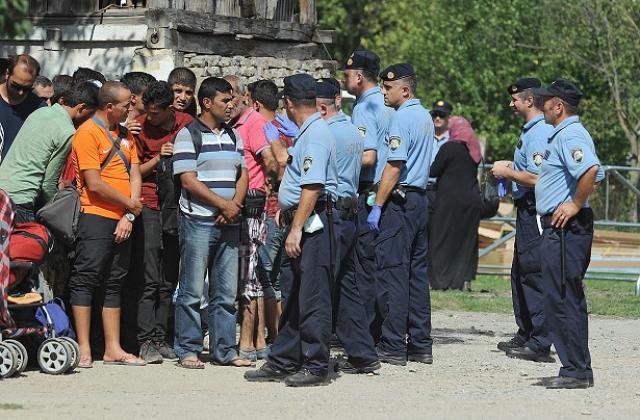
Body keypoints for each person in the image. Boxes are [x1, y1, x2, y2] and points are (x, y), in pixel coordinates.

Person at [244, 74, 338, 387]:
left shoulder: (315, 135)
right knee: (295, 292)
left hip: (311, 224)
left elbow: (312, 186)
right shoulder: (307, 132)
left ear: (288, 103)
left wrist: (296, 227)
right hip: (298, 219)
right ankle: (284, 359)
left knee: (312, 296)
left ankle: (315, 365)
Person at [172, 77, 250, 369]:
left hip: (229, 222)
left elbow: (242, 174)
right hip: (198, 222)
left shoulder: (233, 135)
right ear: (206, 103)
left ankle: (225, 350)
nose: (231, 105)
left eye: (231, 100)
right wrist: (223, 205)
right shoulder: (188, 134)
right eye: (224, 101)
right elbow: (188, 180)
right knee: (192, 290)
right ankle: (188, 349)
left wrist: (235, 206)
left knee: (226, 293)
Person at [69, 81, 145, 368]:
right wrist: (130, 205)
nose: (132, 108)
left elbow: (134, 173)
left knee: (115, 282)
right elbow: (94, 184)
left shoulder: (125, 134)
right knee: (86, 278)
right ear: (109, 107)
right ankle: (84, 347)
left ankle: (113, 348)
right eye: (127, 104)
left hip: (124, 217)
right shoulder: (87, 133)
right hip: (96, 215)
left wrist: (129, 214)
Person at [533, 78, 602, 389]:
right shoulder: (562, 134)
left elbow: (590, 170)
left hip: (565, 229)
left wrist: (575, 203)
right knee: (563, 296)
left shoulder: (570, 134)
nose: (541, 105)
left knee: (562, 298)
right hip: (560, 227)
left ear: (558, 106)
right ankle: (577, 366)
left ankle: (575, 369)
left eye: (546, 100)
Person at [366, 63, 433, 366]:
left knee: (392, 272)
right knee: (416, 276)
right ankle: (420, 343)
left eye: (388, 87)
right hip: (419, 200)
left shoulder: (401, 119)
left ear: (404, 90)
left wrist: (378, 205)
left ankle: (392, 344)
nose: (383, 92)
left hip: (399, 201)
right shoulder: (424, 116)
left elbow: (394, 165)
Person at [316, 77, 377, 374]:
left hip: (333, 215)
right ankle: (363, 353)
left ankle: (314, 354)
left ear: (321, 107)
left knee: (323, 285)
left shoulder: (325, 133)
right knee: (346, 286)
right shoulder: (352, 131)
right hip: (350, 212)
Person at [491, 78, 554, 362]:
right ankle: (526, 332)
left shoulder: (539, 132)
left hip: (535, 209)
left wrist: (509, 173)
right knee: (520, 272)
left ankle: (540, 341)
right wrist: (512, 167)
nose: (510, 104)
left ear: (529, 101)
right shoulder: (530, 131)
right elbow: (528, 167)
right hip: (525, 210)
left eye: (515, 99)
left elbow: (538, 178)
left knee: (534, 273)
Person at [132, 81, 192, 363]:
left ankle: (160, 336)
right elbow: (135, 172)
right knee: (150, 276)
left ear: (169, 109)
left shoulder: (187, 124)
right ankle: (145, 340)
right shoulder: (139, 128)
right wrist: (159, 158)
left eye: (155, 113)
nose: (149, 118)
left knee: (169, 276)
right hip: (149, 205)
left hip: (177, 207)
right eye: (147, 111)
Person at [341, 48, 394, 337]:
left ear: (359, 77)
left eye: (347, 74)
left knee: (363, 266)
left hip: (369, 190)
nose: (344, 79)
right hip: (387, 191)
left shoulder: (363, 108)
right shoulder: (389, 103)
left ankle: (365, 334)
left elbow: (367, 156)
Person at [0, 81, 99, 223]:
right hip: (21, 201)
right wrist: (56, 209)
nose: (89, 120)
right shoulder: (67, 131)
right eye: (90, 115)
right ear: (82, 107)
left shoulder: (40, 112)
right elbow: (48, 184)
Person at [230, 76, 278, 362]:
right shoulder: (234, 124)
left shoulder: (253, 123)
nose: (229, 103)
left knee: (250, 276)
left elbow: (271, 160)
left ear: (243, 96)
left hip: (253, 208)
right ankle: (258, 340)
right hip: (237, 206)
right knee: (252, 276)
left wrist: (265, 192)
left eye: (231, 96)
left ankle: (249, 342)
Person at [258, 80, 295, 341]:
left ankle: (270, 334)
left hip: (272, 209)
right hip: (292, 209)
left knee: (264, 276)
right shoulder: (291, 127)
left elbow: (276, 165)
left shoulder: (265, 129)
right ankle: (280, 332)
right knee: (279, 277)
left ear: (255, 103)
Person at [428, 116, 482, 291]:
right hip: (471, 202)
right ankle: (464, 281)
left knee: (441, 240)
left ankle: (439, 281)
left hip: (449, 202)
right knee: (466, 241)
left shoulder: (449, 148)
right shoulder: (474, 150)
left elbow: (434, 170)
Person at [0, 54, 46, 159]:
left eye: (27, 88)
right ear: (7, 74)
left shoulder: (39, 109)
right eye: (16, 86)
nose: (21, 92)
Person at [427, 100, 452, 225]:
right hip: (422, 190)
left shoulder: (454, 140)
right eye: (435, 114)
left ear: (449, 118)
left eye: (441, 115)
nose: (437, 118)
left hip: (441, 193)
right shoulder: (424, 136)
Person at [121, 71, 157, 136]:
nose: (155, 99)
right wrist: (122, 134)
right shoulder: (114, 124)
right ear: (133, 98)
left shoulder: (156, 123)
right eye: (149, 95)